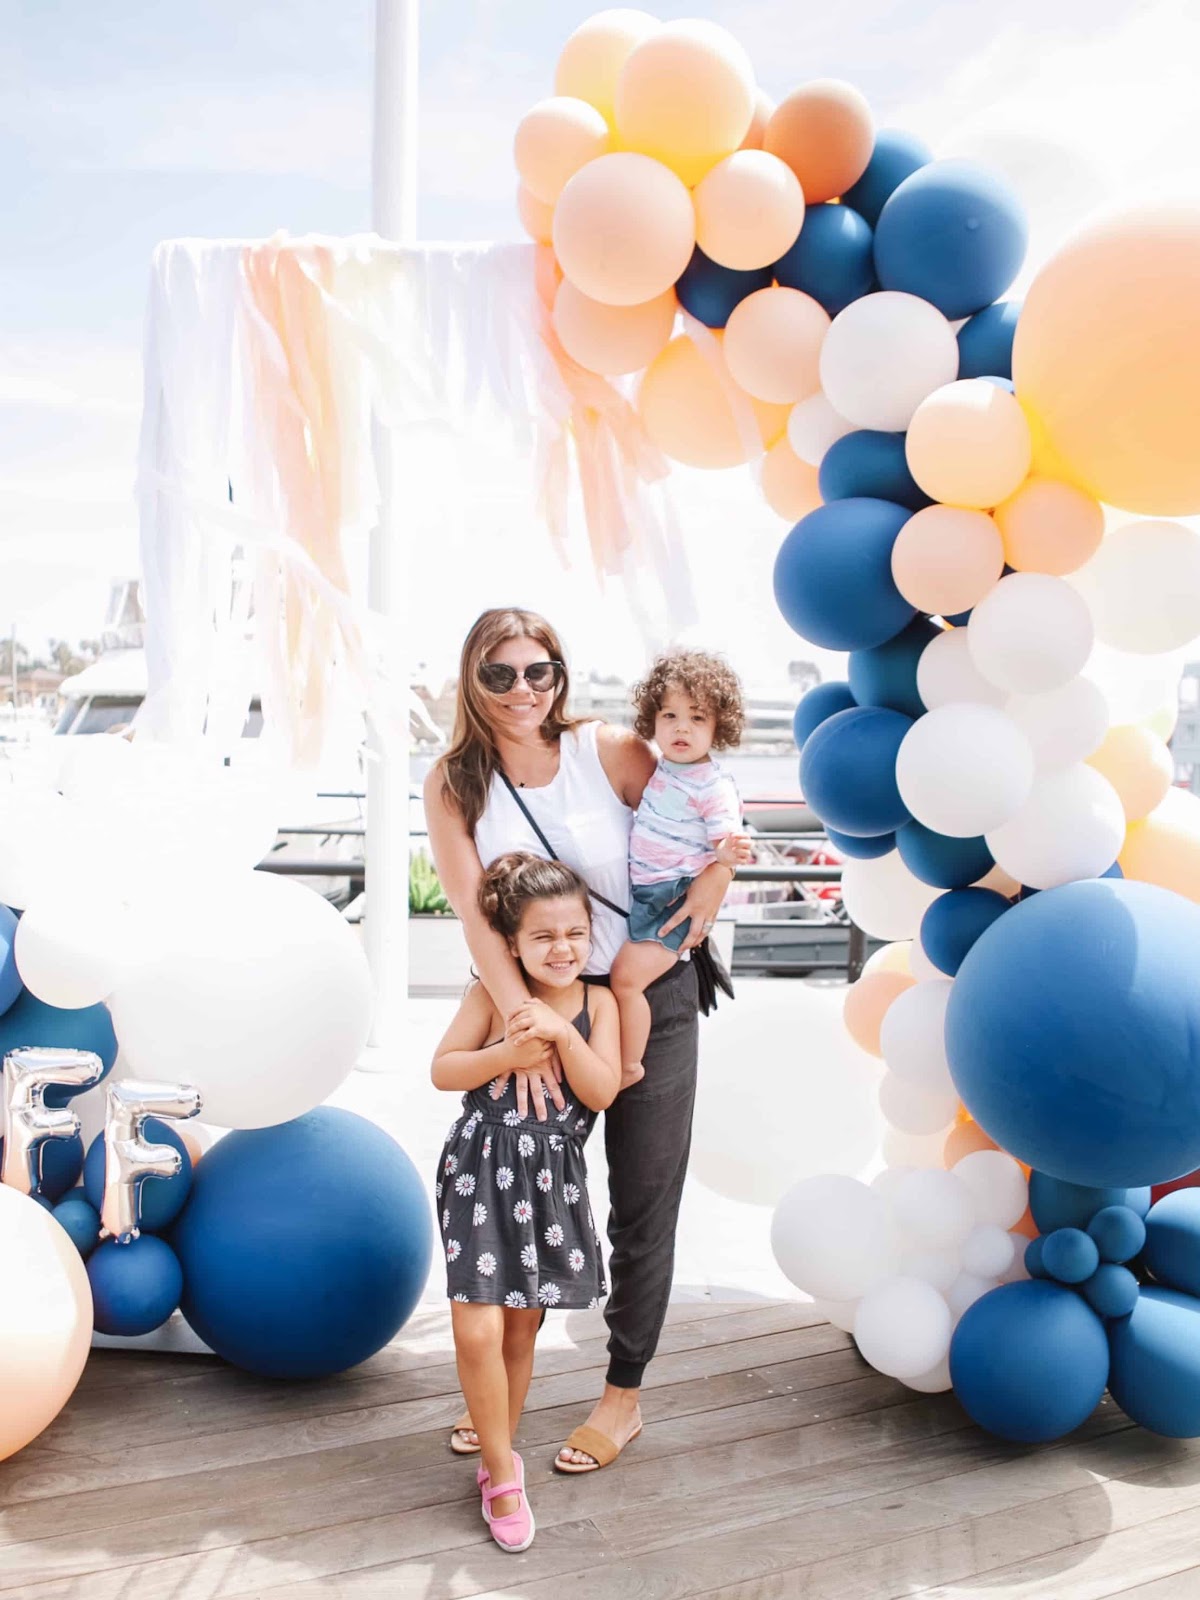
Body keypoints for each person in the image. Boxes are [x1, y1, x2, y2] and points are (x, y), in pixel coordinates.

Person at [425, 607, 737, 1475]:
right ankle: (501, 1396)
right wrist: (524, 1020)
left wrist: (717, 878)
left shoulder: (607, 751)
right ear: (473, 680)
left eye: (539, 670)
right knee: (520, 1189)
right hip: (533, 1004)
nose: (522, 689)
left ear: (559, 675)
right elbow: (476, 919)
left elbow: (704, 804)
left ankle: (621, 1395)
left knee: (642, 1201)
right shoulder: (455, 782)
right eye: (500, 673)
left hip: (643, 996)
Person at [432, 851, 620, 1552]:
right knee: (476, 1330)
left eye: (575, 933)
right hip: (479, 1171)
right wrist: (505, 1056)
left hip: (550, 1185)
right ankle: (503, 1475)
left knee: (518, 1331)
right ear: (511, 943)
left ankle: (496, 1444)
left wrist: (564, 1034)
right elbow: (443, 1070)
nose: (562, 948)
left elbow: (602, 1092)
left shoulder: (599, 1005)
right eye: (543, 936)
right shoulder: (490, 996)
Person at [610, 651, 749, 1088]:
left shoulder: (713, 785)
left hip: (672, 899)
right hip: (649, 892)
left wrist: (727, 854)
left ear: (718, 726)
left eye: (697, 717)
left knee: (625, 981)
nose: (681, 728)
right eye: (669, 715)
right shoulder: (665, 769)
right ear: (652, 720)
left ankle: (630, 1064)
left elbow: (723, 838)